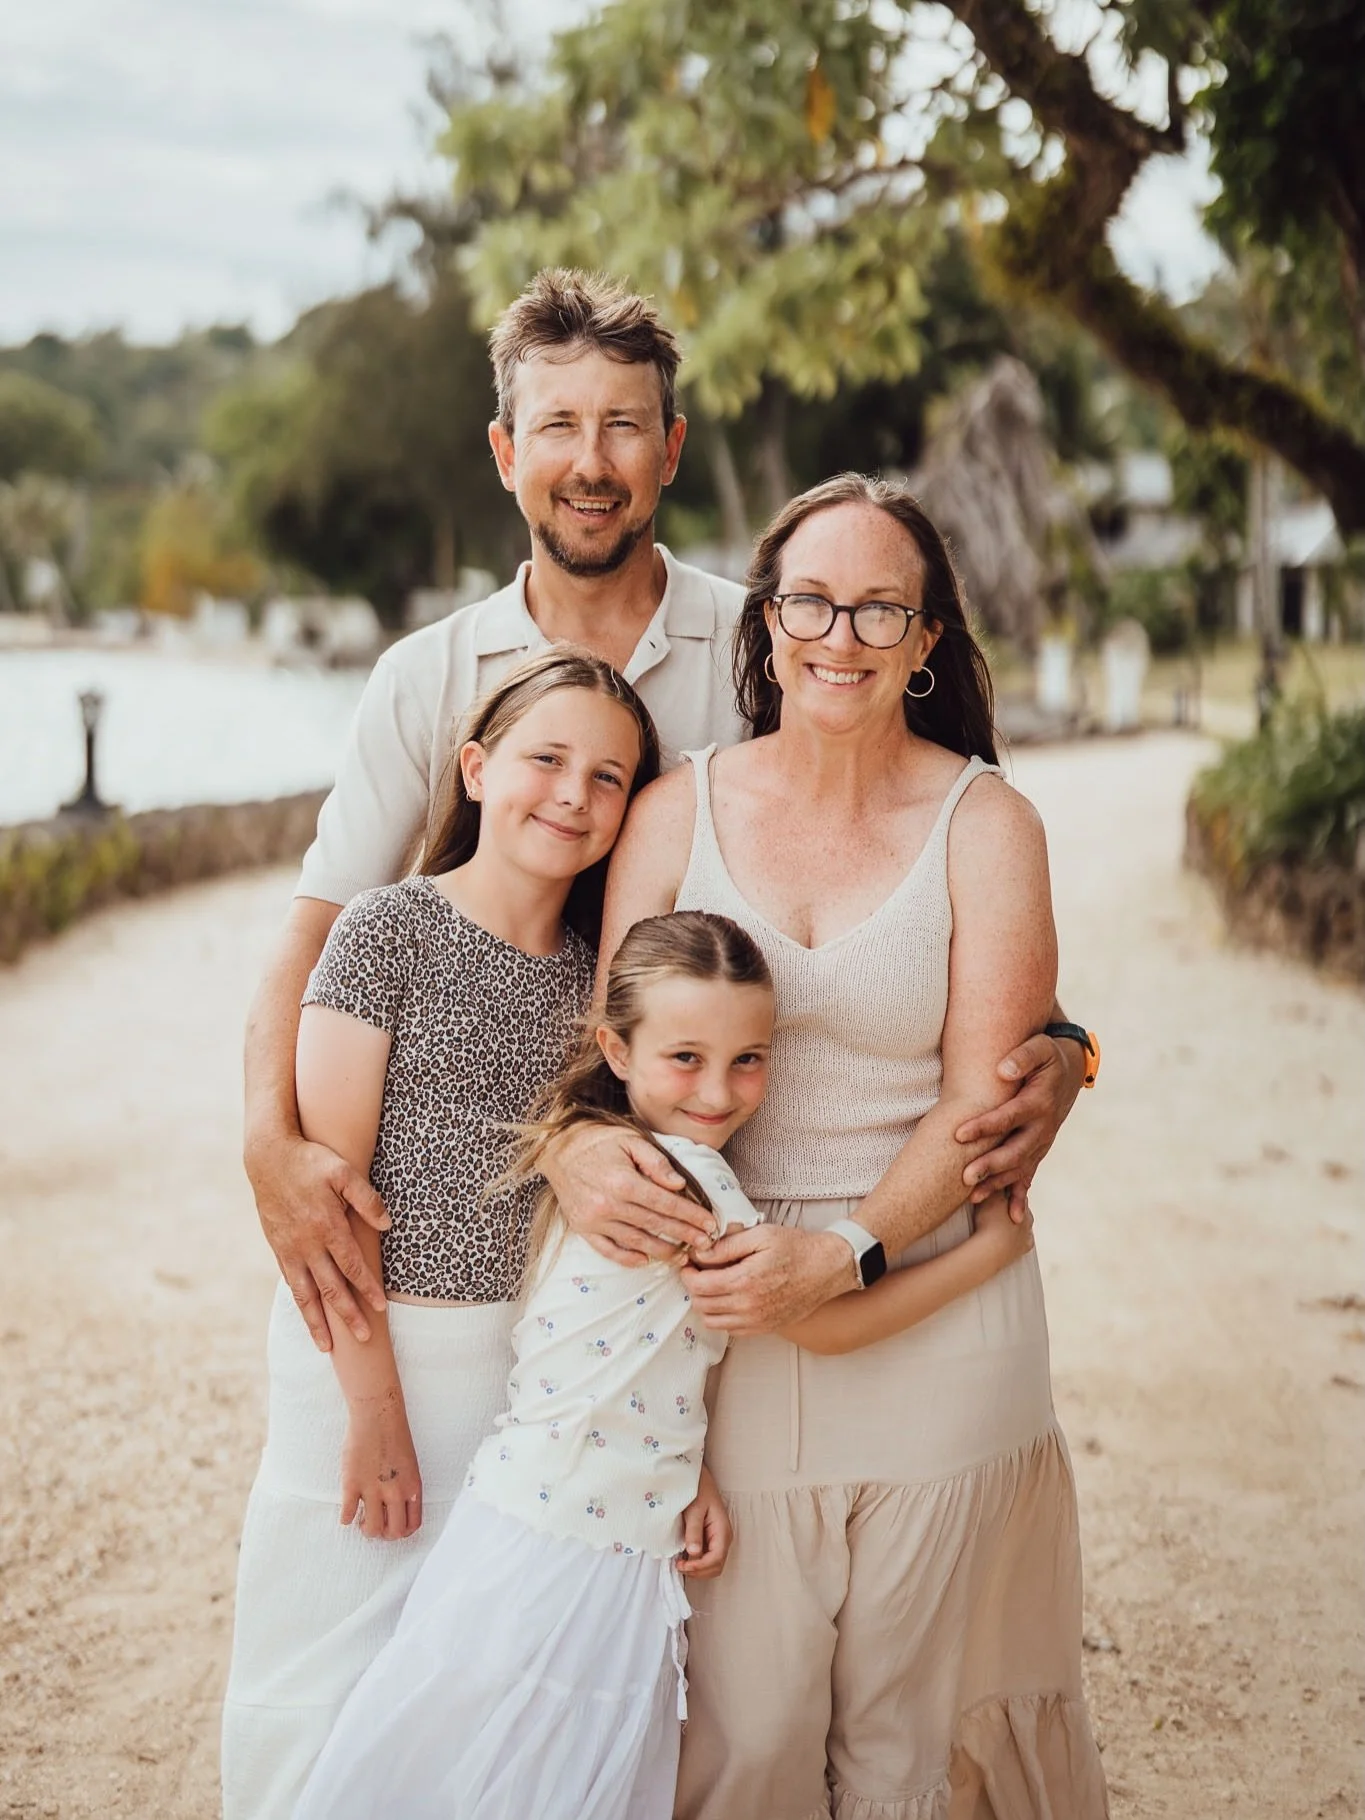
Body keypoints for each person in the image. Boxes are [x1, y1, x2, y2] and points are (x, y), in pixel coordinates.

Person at [240, 267, 1092, 1369]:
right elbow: (317, 930)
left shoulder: (775, 645)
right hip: (469, 1184)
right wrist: (266, 1141)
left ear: (672, 449)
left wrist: (1065, 1047)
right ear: (504, 453)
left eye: (624, 426)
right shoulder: (426, 676)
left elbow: (906, 861)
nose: (591, 463)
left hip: (688, 1174)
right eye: (557, 426)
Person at [600, 473, 1110, 1818]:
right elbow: (621, 1076)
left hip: (935, 1295)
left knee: (909, 1741)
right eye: (812, 602)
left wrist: (843, 1250)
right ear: (766, 621)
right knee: (748, 1729)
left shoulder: (986, 824)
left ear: (927, 638)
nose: (843, 636)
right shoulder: (673, 813)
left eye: (882, 609)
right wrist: (745, 1261)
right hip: (728, 1304)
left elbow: (982, 1104)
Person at [293, 911, 1037, 1820]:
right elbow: (828, 1328)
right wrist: (984, 1255)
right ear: (616, 1048)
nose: (719, 1092)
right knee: (543, 1782)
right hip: (581, 1554)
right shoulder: (688, 1185)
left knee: (474, 1762)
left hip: (529, 1518)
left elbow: (629, 1357)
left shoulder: (598, 1155)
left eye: (748, 1058)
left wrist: (685, 1468)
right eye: (685, 1058)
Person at [220, 651, 660, 1819]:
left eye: (608, 777)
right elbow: (334, 1194)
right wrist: (374, 1409)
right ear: (476, 767)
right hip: (362, 1348)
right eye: (546, 758)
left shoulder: (598, 988)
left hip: (511, 1378)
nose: (573, 793)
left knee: (458, 1693)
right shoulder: (387, 929)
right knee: (322, 1660)